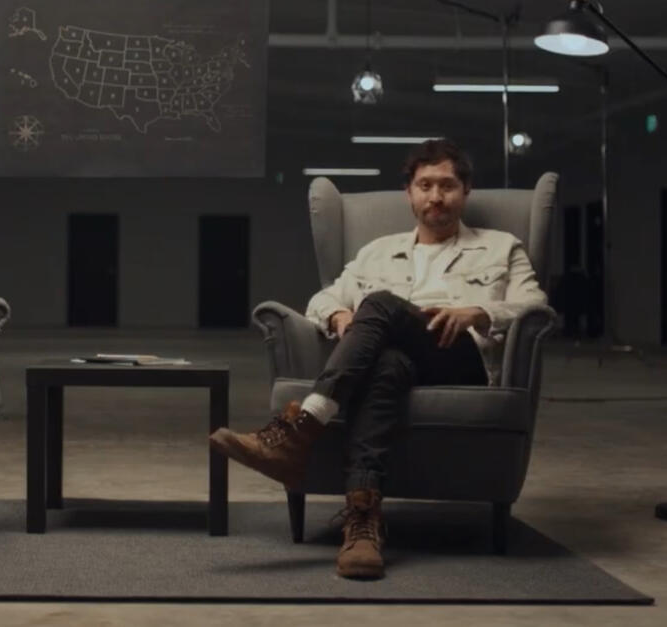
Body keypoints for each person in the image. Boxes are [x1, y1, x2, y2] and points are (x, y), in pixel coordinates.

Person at [209, 139, 547, 579]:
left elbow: (535, 306)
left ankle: (300, 428)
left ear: (466, 191)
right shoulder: (377, 251)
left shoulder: (501, 247)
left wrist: (479, 313)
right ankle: (363, 522)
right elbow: (323, 298)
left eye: (447, 185)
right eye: (425, 185)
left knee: (381, 303)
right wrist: (338, 315)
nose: (436, 196)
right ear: (409, 193)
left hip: (461, 361)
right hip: (397, 362)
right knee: (386, 362)